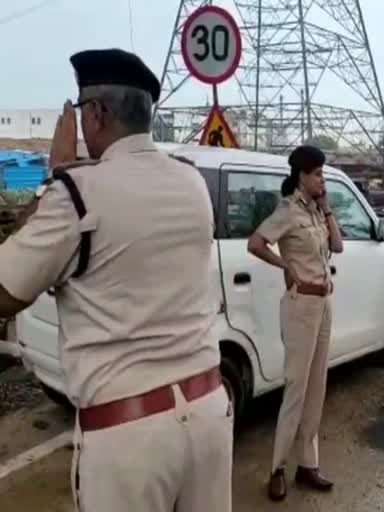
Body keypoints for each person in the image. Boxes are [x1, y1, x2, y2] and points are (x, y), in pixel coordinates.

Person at [0, 49, 232, 511]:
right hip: (208, 414)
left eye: (82, 110)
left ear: (98, 113)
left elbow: (5, 293)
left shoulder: (75, 196)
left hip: (128, 439)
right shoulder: (192, 184)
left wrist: (55, 177)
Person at [247, 145, 344, 501]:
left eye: (322, 173)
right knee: (296, 389)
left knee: (318, 387)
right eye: (316, 173)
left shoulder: (319, 211)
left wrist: (328, 207)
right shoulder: (287, 211)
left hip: (323, 302)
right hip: (300, 304)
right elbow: (255, 243)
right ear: (302, 176)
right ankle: (277, 468)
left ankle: (307, 464)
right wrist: (283, 266)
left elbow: (338, 245)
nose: (321, 178)